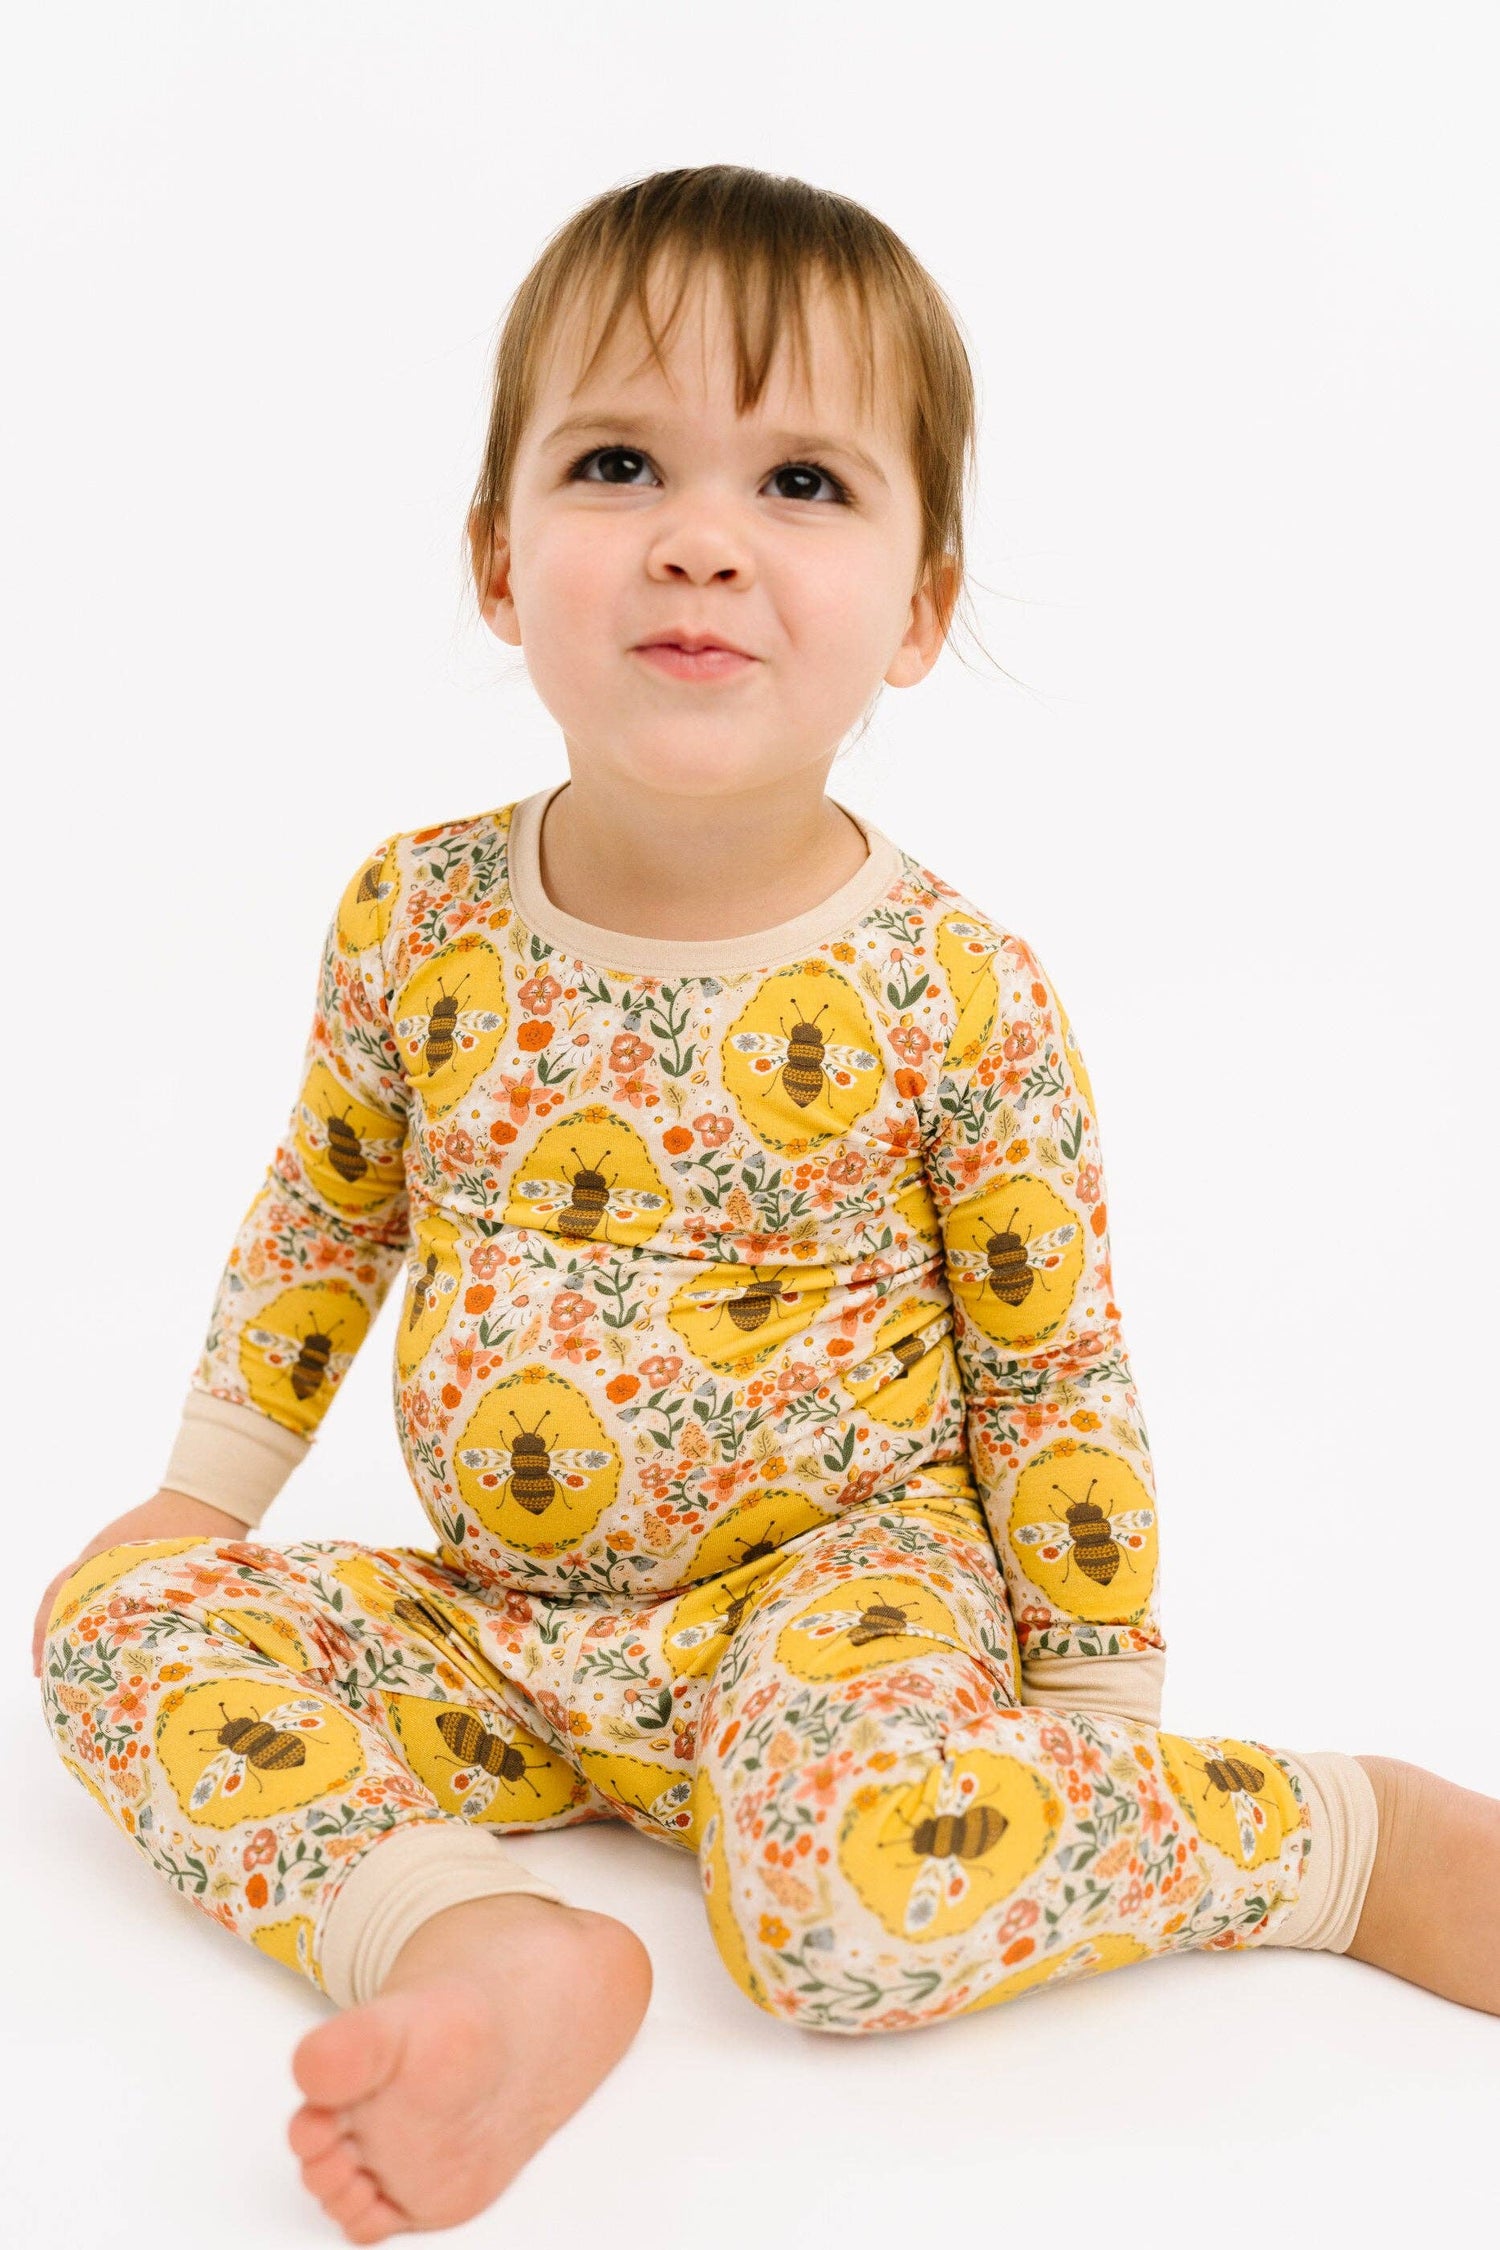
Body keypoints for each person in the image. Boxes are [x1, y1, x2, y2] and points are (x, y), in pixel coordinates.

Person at [33, 163, 1500, 2247]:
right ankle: (478, 1943)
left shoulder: (950, 991)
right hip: (508, 1631)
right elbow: (326, 1215)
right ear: (497, 558)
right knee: (106, 1624)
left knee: (844, 1917)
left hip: (838, 1609)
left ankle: (1349, 1844)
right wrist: (206, 1495)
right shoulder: (416, 916)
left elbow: (1053, 1366)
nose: (701, 537)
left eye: (802, 481)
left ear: (917, 605)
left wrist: (1084, 1738)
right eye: (618, 463)